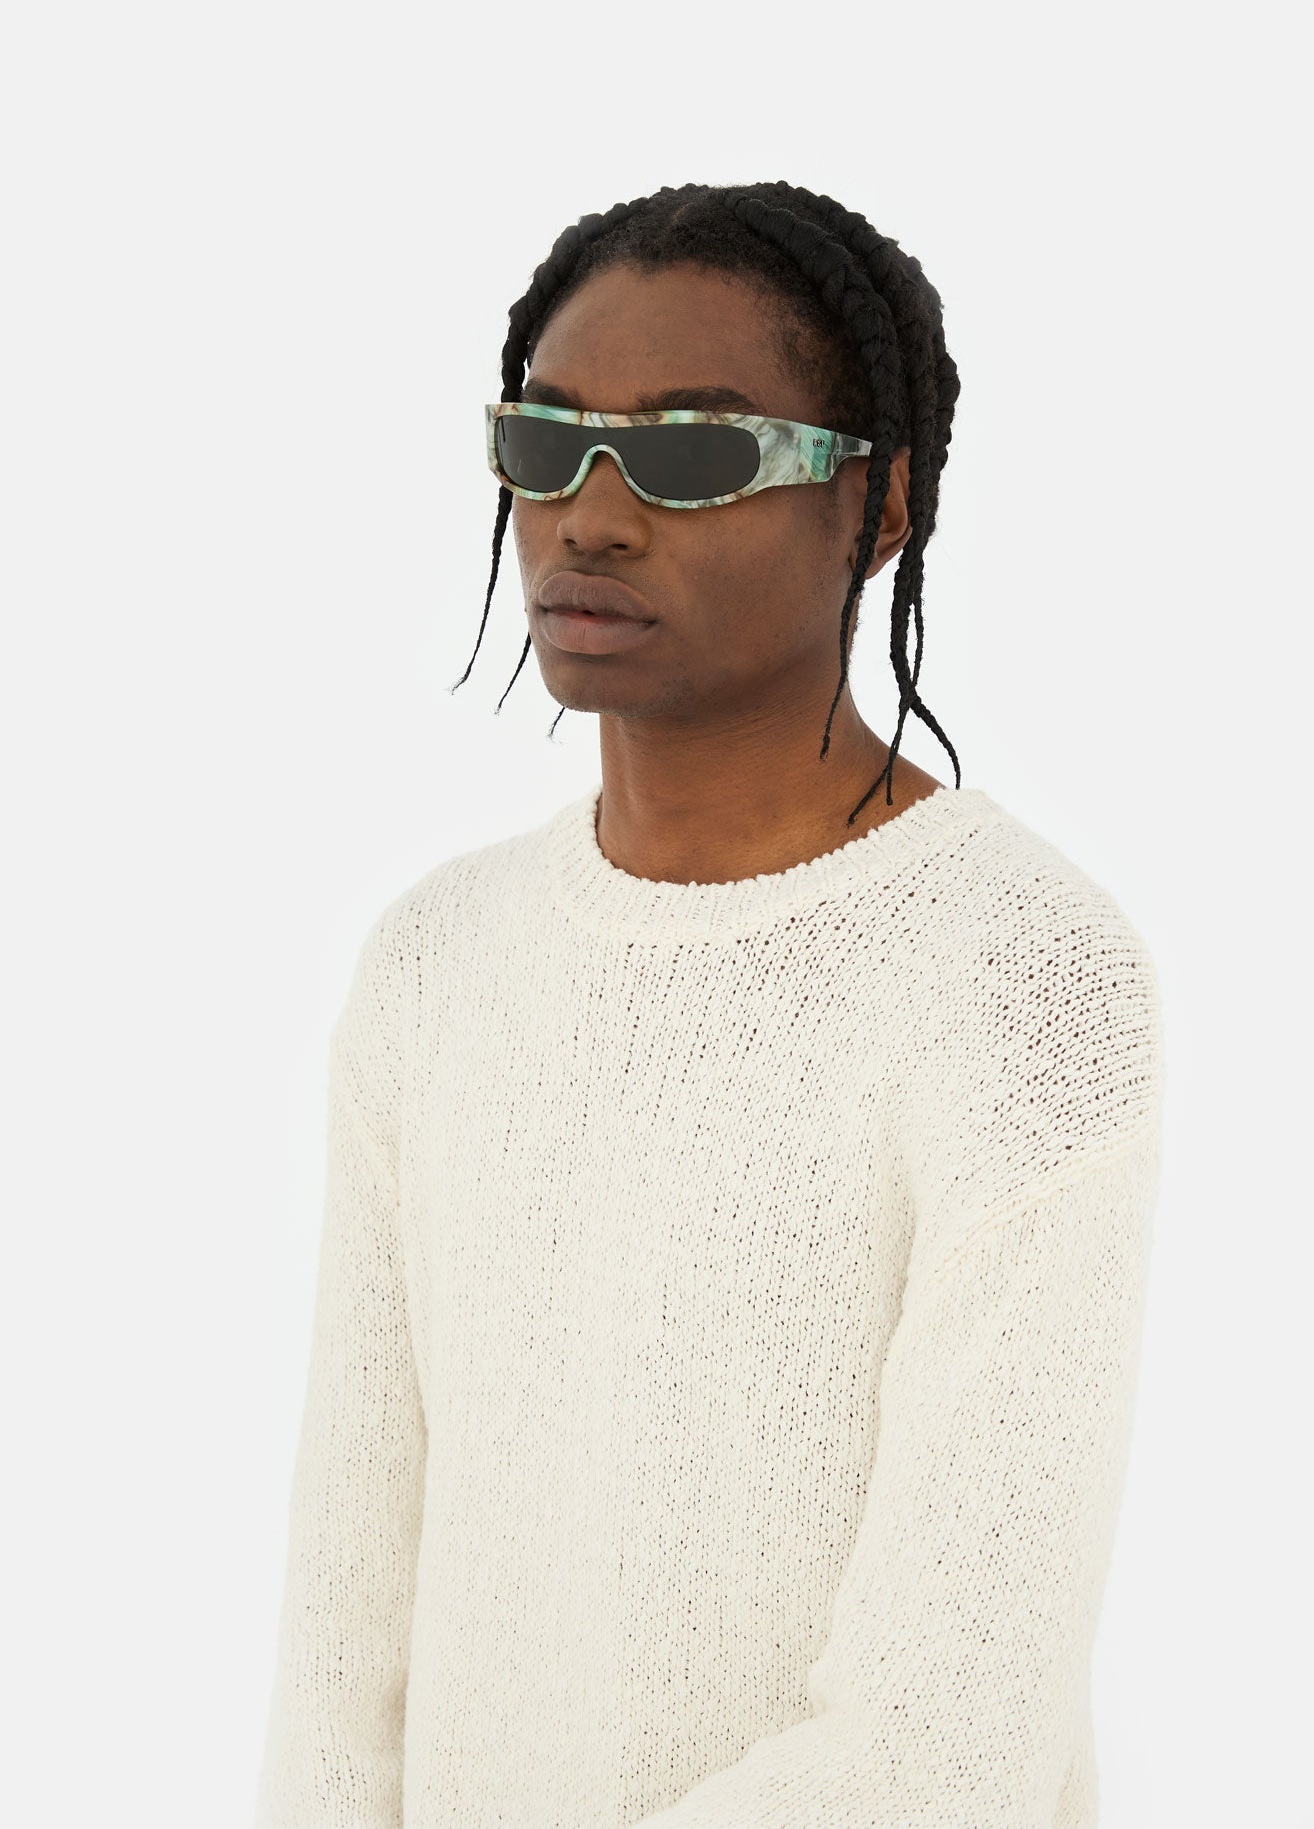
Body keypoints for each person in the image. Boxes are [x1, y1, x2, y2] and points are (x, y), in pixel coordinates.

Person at [254, 181, 1165, 1829]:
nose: (590, 516)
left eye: (692, 454)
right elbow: (343, 1635)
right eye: (547, 441)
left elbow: (950, 1729)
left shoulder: (1021, 974)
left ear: (878, 506)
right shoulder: (433, 966)